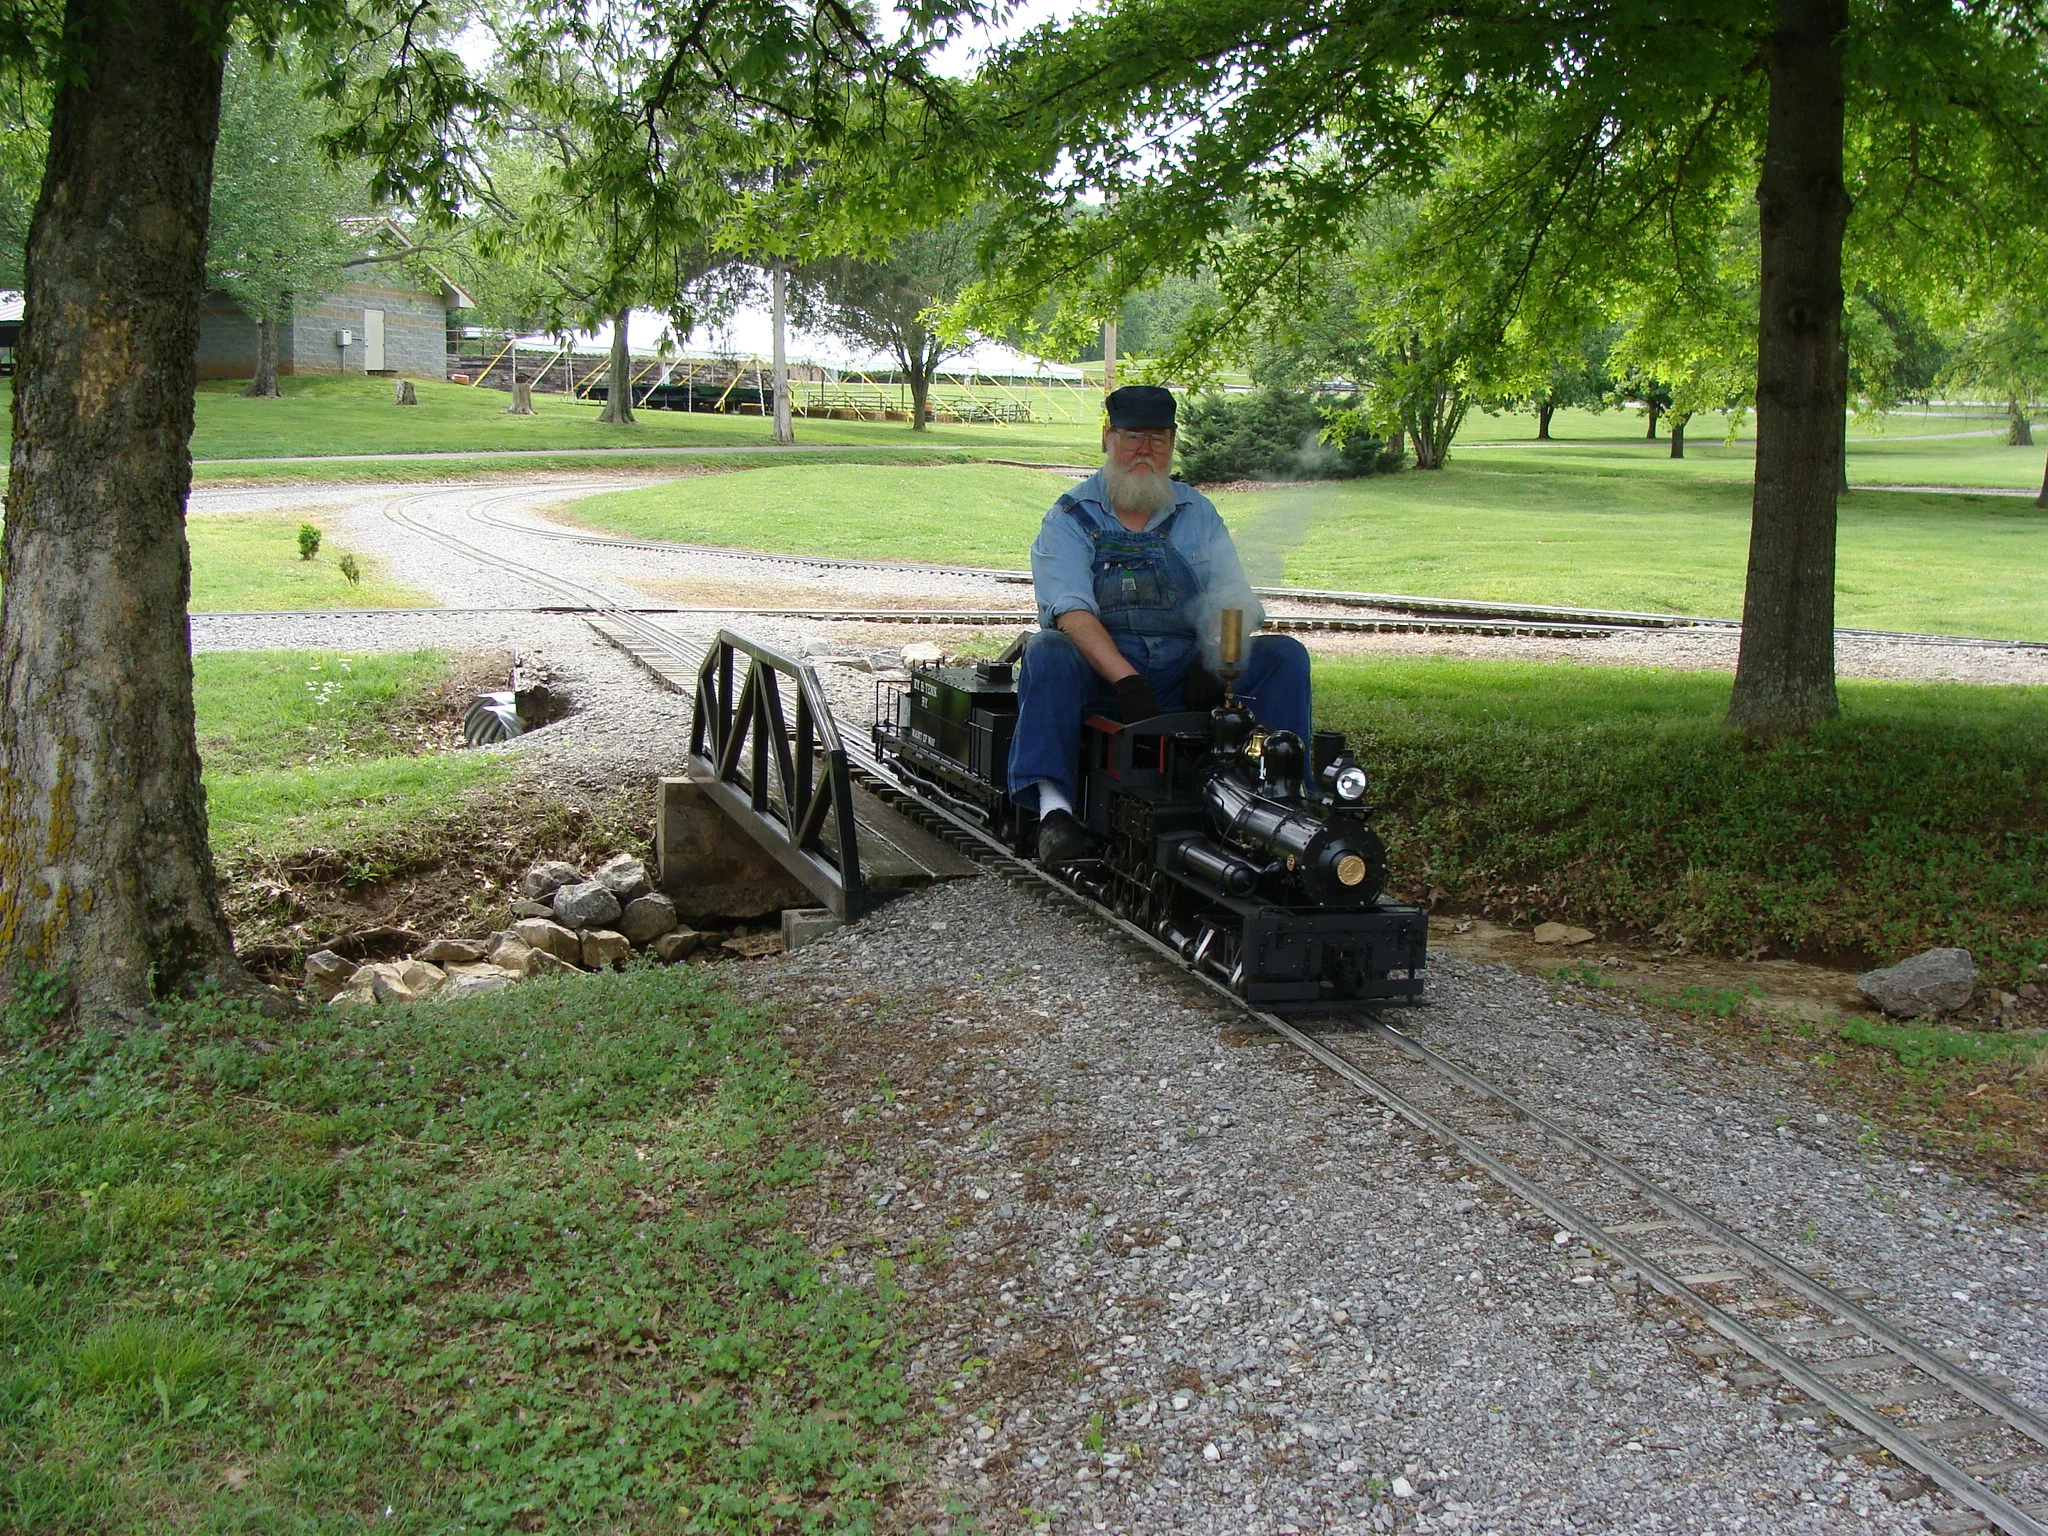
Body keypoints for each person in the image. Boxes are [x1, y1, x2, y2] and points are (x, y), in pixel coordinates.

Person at [1008, 383, 1313, 865]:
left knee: (1284, 656)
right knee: (1046, 650)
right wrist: (1125, 679)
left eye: (1158, 439)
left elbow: (1237, 598)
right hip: (1104, 677)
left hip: (1187, 673)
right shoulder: (1070, 517)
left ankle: (1288, 800)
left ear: (1171, 444)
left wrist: (1216, 655)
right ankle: (1055, 812)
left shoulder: (1198, 512)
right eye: (1133, 437)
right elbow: (1071, 612)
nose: (1144, 451)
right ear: (1108, 438)